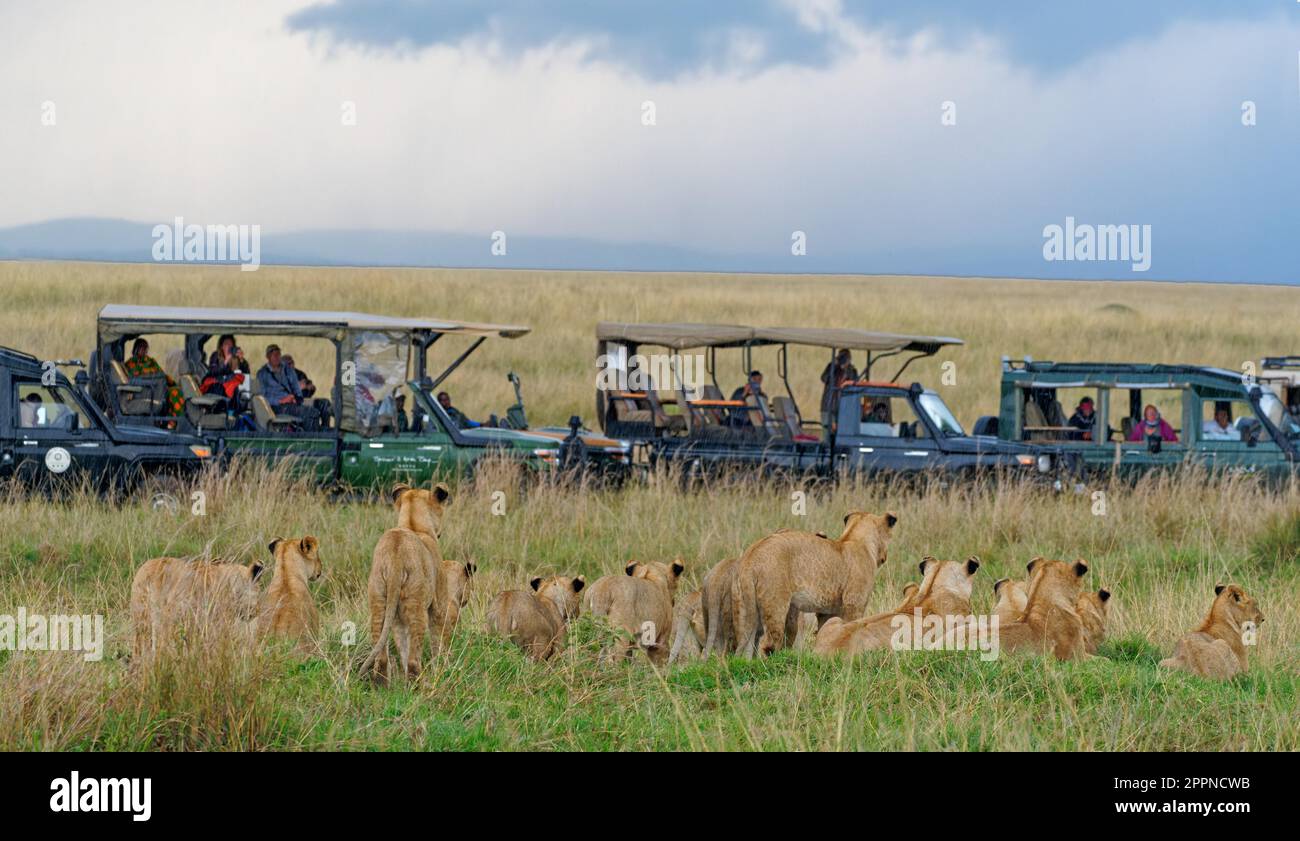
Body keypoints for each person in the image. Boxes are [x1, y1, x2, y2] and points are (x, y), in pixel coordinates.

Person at [257, 344, 319, 430]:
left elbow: (295, 386)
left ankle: (315, 437)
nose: (277, 357)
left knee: (316, 410)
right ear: (268, 357)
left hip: (291, 402)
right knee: (310, 412)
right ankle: (311, 439)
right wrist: (280, 401)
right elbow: (262, 396)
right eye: (274, 355)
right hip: (275, 407)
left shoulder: (287, 369)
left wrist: (297, 398)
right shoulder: (262, 373)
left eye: (279, 354)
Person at [124, 338, 184, 418]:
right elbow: (134, 380)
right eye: (141, 347)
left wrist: (171, 383)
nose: (143, 350)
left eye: (145, 347)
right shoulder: (130, 364)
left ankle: (176, 420)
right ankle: (174, 421)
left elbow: (161, 373)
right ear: (136, 349)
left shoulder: (151, 361)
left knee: (176, 391)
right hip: (145, 391)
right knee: (173, 393)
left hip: (159, 388)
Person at [283, 354, 331, 428]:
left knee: (325, 403)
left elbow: (309, 390)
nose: (292, 365)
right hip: (290, 404)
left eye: (292, 362)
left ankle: (325, 428)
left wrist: (310, 388)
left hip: (304, 400)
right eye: (289, 364)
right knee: (312, 411)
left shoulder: (299, 374)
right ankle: (312, 432)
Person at [203, 334, 249, 409]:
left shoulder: (235, 358)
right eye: (226, 344)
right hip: (218, 388)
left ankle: (236, 411)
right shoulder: (216, 356)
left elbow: (246, 372)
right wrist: (225, 362)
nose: (229, 346)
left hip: (233, 388)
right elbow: (213, 372)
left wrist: (242, 360)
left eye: (231, 344)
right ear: (221, 346)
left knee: (238, 390)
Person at [820, 349, 858, 431]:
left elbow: (854, 385)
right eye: (841, 357)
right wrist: (833, 365)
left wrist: (847, 368)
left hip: (843, 407)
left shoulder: (852, 371)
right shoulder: (832, 367)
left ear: (850, 358)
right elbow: (823, 378)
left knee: (842, 432)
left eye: (845, 357)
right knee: (827, 433)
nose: (842, 359)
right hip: (828, 405)